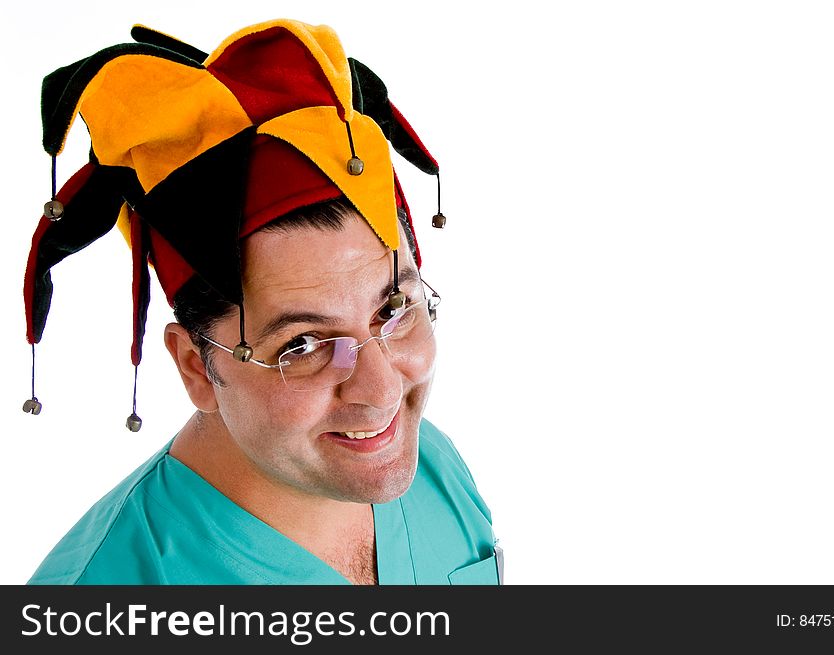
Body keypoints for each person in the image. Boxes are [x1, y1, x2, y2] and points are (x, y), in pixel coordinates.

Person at [23, 18, 500, 585]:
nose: (380, 392)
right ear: (196, 366)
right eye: (301, 343)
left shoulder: (431, 469)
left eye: (393, 309)